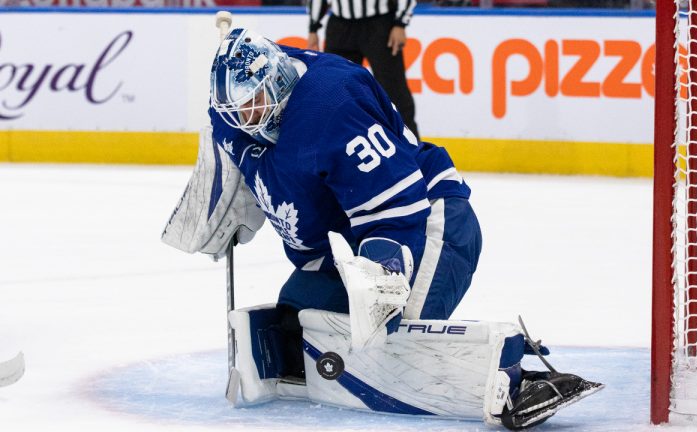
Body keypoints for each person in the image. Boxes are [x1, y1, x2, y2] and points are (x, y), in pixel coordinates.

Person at [162, 29, 603, 430]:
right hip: (347, 239)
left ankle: (511, 378)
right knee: (297, 323)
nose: (247, 117)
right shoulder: (234, 116)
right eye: (236, 109)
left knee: (386, 344)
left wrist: (380, 286)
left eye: (254, 102)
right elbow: (231, 155)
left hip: (428, 221)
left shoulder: (330, 105)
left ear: (277, 81)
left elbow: (396, 209)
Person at [306, 0, 420, 138]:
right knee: (335, 93)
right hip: (340, 26)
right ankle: (340, 149)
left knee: (394, 92)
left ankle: (415, 152)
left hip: (380, 25)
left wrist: (400, 23)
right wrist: (313, 27)